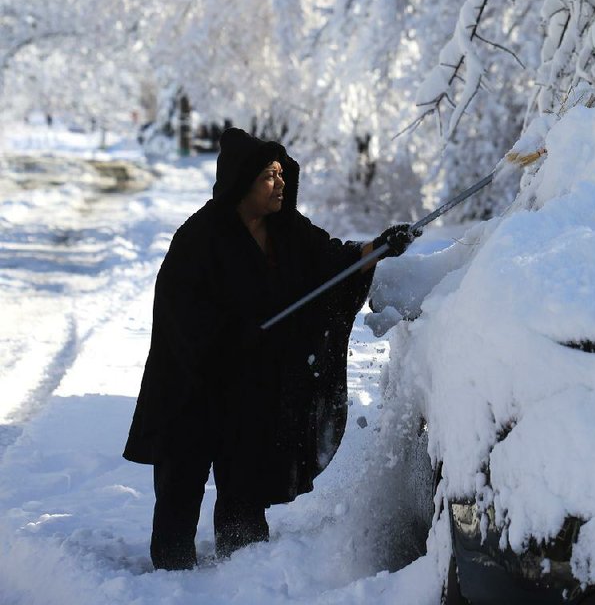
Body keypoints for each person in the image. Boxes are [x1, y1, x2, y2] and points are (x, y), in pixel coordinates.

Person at [123, 126, 415, 571]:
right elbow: (178, 315)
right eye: (269, 175)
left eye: (281, 174)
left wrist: (379, 248)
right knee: (181, 487)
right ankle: (170, 576)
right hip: (190, 387)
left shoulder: (287, 230)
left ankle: (243, 574)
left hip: (248, 389)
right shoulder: (198, 239)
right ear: (243, 181)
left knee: (244, 484)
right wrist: (234, 335)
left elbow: (331, 260)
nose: (280, 183)